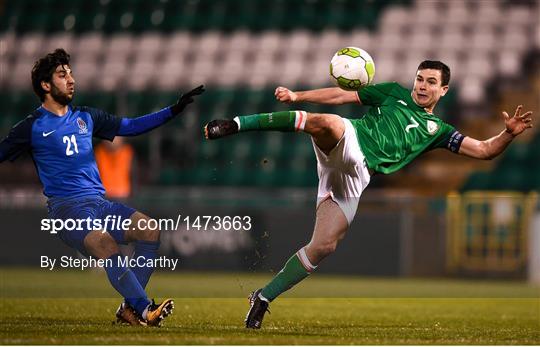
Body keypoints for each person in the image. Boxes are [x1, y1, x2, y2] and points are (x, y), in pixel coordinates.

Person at [203, 60, 533, 329]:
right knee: (328, 123)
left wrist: (507, 133)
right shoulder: (392, 93)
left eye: (431, 82)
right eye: (419, 79)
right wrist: (297, 95)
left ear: (444, 90)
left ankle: (262, 297)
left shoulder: (440, 131)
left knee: (323, 246)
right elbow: (342, 96)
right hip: (352, 141)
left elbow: (485, 150)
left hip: (356, 176)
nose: (422, 85)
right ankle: (236, 124)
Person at [0, 49, 205, 326]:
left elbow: (130, 126)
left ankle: (129, 309)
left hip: (100, 204)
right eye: (62, 75)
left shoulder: (86, 116)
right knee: (106, 244)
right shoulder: (31, 127)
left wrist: (173, 110)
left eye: (70, 72)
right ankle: (145, 310)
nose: (71, 79)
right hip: (67, 210)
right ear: (45, 86)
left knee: (149, 229)